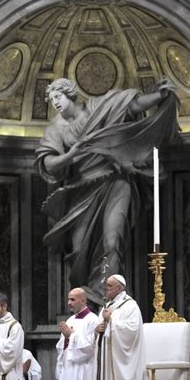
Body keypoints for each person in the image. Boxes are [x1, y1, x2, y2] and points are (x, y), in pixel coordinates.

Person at [34, 77, 178, 301]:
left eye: (58, 97)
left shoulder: (97, 108)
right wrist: (71, 155)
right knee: (79, 250)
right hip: (80, 191)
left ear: (70, 94)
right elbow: (48, 163)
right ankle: (86, 303)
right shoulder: (56, 129)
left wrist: (157, 96)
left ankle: (109, 299)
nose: (55, 103)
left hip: (115, 183)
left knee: (112, 240)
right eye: (52, 100)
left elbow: (130, 105)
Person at [92, 274, 152, 380]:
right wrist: (97, 329)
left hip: (122, 361)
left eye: (109, 287)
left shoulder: (130, 305)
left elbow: (132, 330)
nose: (106, 290)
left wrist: (112, 320)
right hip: (107, 360)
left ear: (119, 287)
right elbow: (99, 329)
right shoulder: (107, 306)